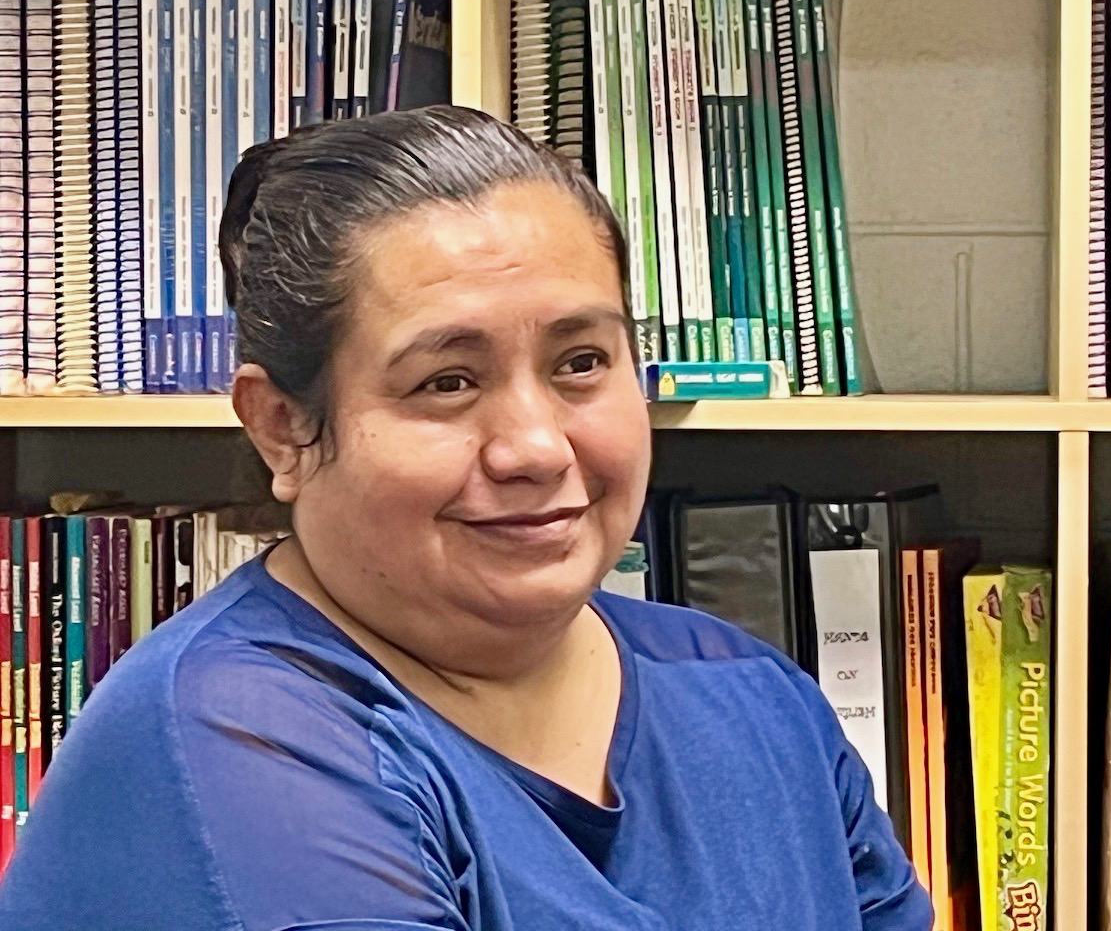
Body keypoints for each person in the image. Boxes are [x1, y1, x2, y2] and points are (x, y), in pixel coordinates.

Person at [0, 106, 931, 930]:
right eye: (446, 382)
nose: (536, 447)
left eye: (581, 363)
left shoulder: (749, 694)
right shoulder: (234, 743)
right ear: (283, 427)